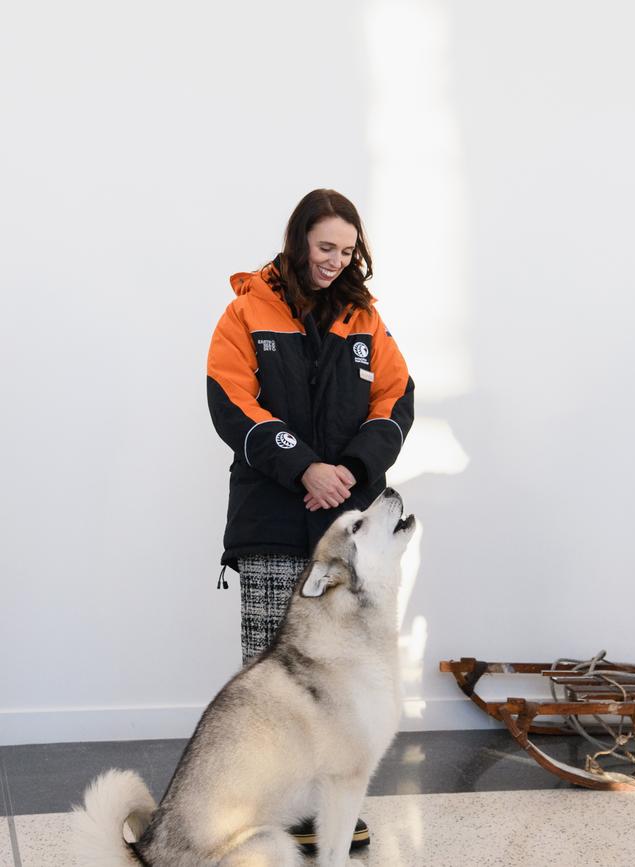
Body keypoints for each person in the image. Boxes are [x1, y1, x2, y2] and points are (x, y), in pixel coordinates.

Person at [206, 188, 414, 852]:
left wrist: (351, 468)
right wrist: (304, 467)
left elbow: (396, 398)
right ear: (300, 241)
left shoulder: (365, 320)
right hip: (271, 520)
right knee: (272, 677)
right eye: (326, 247)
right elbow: (230, 402)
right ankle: (265, 809)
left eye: (347, 250)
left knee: (342, 672)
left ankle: (327, 807)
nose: (335, 260)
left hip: (344, 526)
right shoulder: (245, 313)